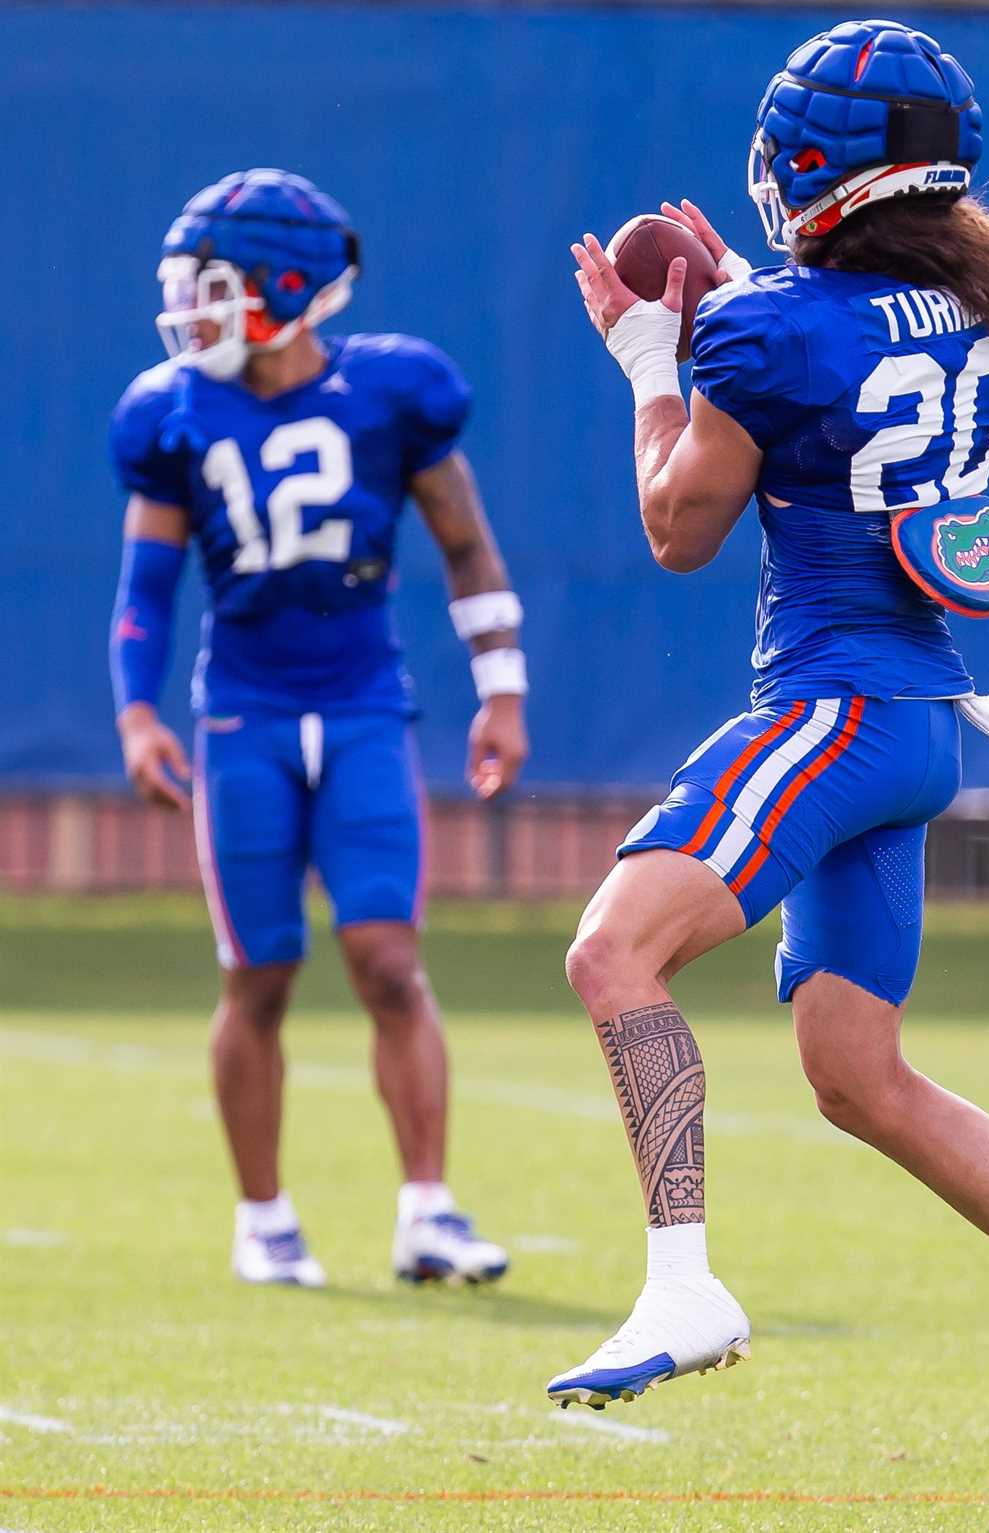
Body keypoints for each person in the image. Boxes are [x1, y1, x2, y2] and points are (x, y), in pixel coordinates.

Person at [551, 20, 989, 1496]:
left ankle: (683, 1281)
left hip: (831, 707)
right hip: (921, 727)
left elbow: (677, 526)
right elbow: (831, 369)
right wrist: (731, 320)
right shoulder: (970, 300)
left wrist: (655, 352)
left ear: (818, 167)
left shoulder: (769, 329)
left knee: (612, 954)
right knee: (856, 1073)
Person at [108, 169, 528, 1289]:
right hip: (240, 714)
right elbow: (147, 586)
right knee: (260, 975)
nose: (188, 310)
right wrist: (138, 711)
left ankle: (428, 1210)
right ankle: (263, 1217)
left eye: (210, 287)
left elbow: (466, 545)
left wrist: (504, 690)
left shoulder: (393, 392)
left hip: (359, 708)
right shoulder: (172, 409)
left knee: (389, 963)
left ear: (282, 287)